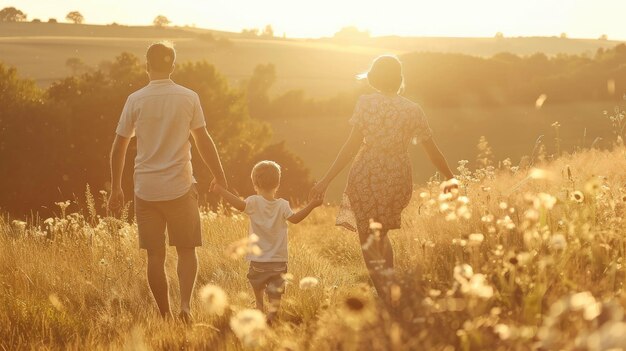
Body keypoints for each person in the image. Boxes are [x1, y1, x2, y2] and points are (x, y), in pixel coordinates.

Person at [309, 55, 457, 302]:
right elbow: (432, 151)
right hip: (397, 175)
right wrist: (450, 178)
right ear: (399, 78)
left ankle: (386, 295)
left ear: (374, 77)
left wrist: (326, 179)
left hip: (366, 173)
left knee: (367, 237)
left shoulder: (366, 103)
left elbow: (350, 146)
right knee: (382, 234)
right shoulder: (412, 110)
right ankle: (390, 291)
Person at [108, 42, 227, 323]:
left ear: (146, 66)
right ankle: (185, 307)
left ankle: (165, 315)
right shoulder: (189, 97)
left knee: (154, 257)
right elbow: (203, 141)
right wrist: (220, 177)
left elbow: (119, 147)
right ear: (173, 66)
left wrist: (116, 187)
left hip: (146, 190)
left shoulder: (135, 99)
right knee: (186, 251)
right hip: (181, 187)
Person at [213, 160, 323, 323]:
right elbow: (296, 219)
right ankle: (272, 315)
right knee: (275, 295)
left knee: (257, 284)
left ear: (254, 183)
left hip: (258, 260)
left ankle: (259, 306)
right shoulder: (282, 205)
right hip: (278, 260)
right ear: (277, 183)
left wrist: (221, 191)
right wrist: (312, 205)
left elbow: (238, 204)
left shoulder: (253, 202)